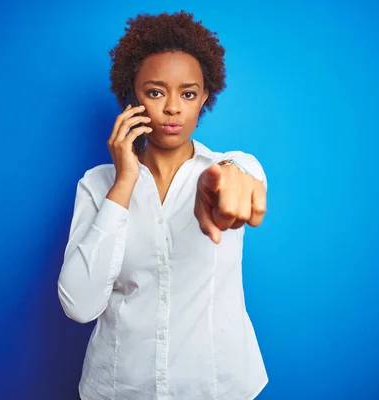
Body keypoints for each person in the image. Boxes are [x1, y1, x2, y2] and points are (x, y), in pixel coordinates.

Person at [58, 11, 268, 400]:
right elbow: (80, 305)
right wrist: (123, 183)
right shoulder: (97, 183)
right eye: (156, 92)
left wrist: (231, 180)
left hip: (217, 388)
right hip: (119, 388)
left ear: (204, 96)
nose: (173, 108)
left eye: (188, 94)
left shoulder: (230, 167)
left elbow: (243, 174)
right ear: (131, 97)